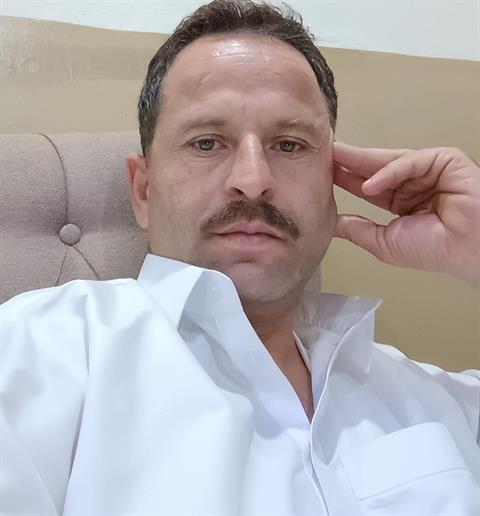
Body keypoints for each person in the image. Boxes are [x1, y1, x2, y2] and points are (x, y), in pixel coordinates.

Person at [1, 0, 479, 514]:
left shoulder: (435, 397)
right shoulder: (38, 351)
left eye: (290, 145)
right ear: (143, 191)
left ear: (332, 184)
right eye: (207, 142)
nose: (253, 181)